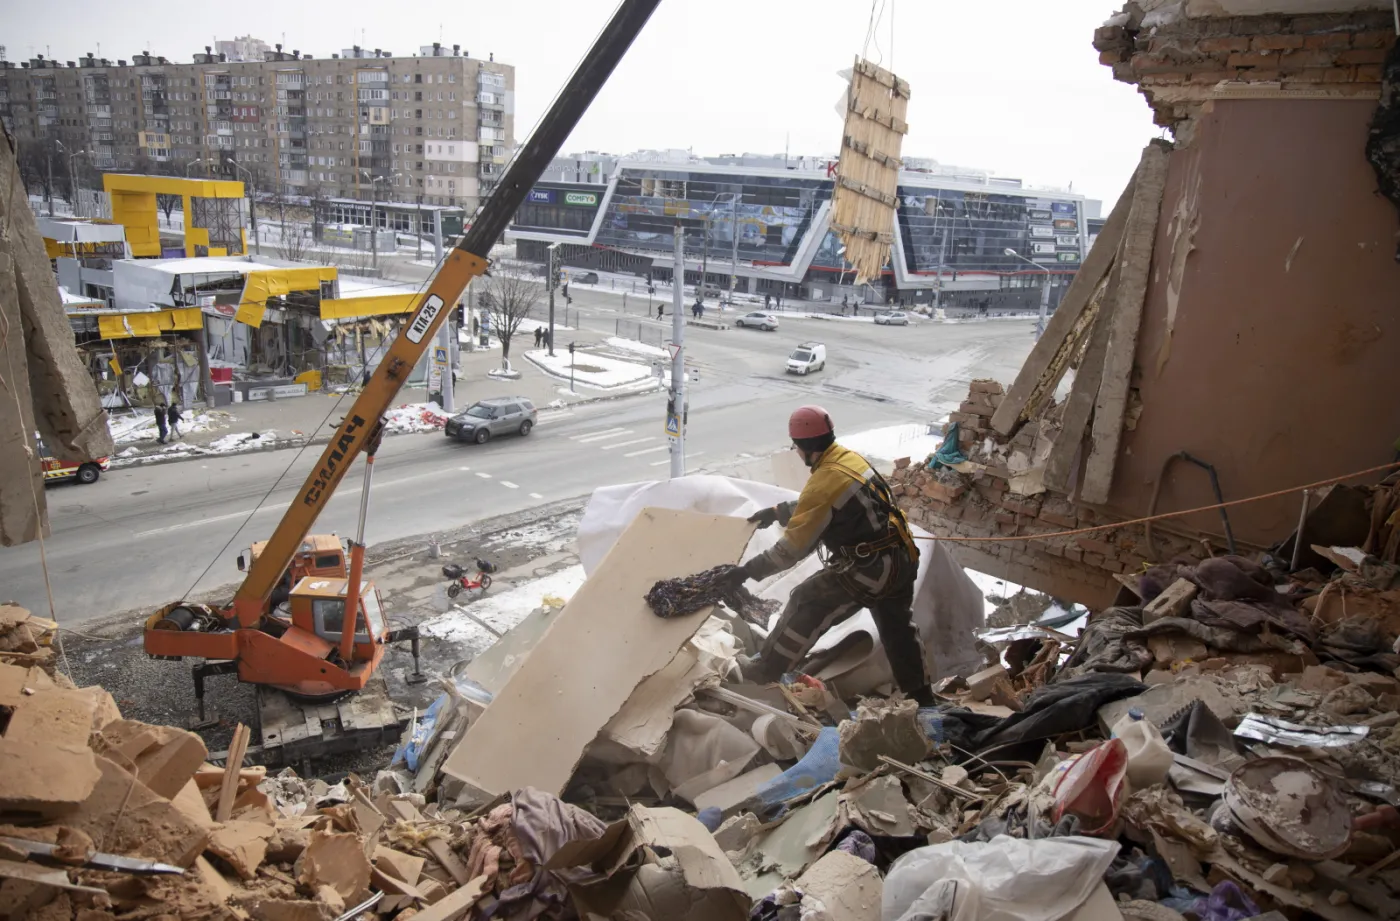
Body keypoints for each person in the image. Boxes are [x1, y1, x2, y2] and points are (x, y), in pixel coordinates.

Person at [727, 406, 933, 705]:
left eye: (795, 447)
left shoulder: (825, 481)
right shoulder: (847, 459)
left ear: (803, 447)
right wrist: (778, 511)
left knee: (807, 600)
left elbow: (791, 550)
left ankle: (766, 670)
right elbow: (828, 501)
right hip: (900, 556)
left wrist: (746, 572)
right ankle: (924, 701)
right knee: (898, 628)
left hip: (871, 567)